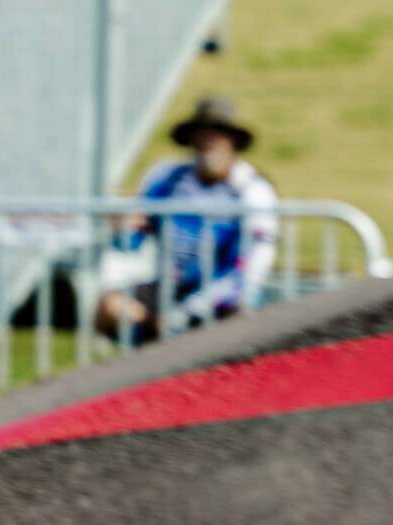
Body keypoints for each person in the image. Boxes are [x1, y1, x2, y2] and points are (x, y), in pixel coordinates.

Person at [95, 96, 278, 345]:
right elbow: (131, 240)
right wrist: (122, 229)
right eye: (202, 135)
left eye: (217, 135)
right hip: (171, 289)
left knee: (209, 325)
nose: (208, 143)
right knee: (111, 308)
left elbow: (253, 266)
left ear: (232, 141)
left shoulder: (251, 190)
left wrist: (191, 311)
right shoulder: (167, 179)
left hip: (226, 294)